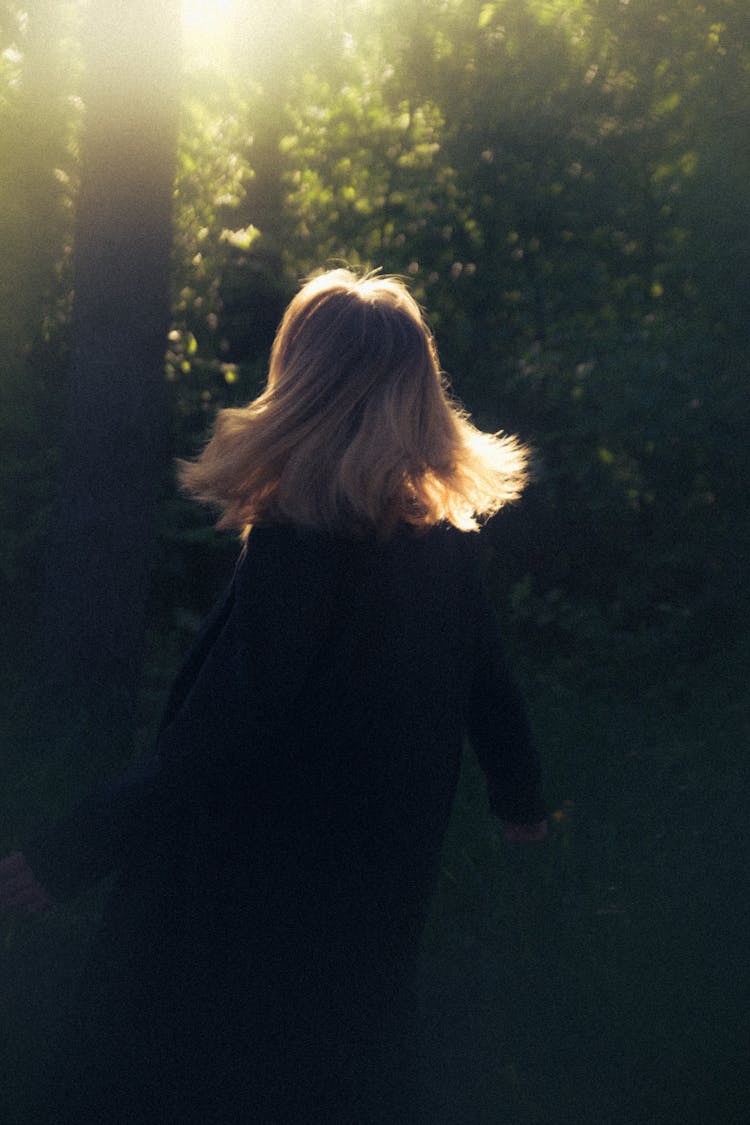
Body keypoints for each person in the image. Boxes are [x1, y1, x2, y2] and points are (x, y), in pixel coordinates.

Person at [0, 269, 547, 1124]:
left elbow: (220, 730)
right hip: (371, 902)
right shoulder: (441, 550)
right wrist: (522, 802)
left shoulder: (301, 549)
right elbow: (493, 689)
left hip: (249, 905)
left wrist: (67, 852)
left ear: (305, 387)